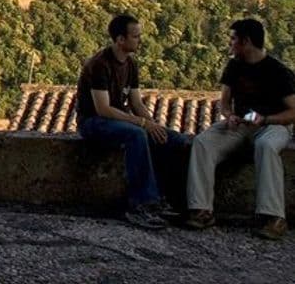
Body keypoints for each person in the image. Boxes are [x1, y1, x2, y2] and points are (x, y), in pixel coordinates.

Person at [75, 15, 188, 230]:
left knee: (176, 141)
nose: (140, 40)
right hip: (93, 122)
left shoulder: (130, 63)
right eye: (135, 36)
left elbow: (136, 102)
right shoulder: (100, 64)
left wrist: (153, 124)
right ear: (120, 39)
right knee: (136, 135)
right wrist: (142, 125)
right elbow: (103, 109)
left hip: (119, 119)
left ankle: (164, 198)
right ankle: (142, 203)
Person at [186, 19, 295, 240]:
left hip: (273, 125)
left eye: (234, 39)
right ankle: (201, 210)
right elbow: (224, 102)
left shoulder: (279, 72)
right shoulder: (234, 67)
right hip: (241, 125)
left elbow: (293, 111)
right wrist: (230, 116)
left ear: (246, 42)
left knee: (266, 146)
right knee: (202, 142)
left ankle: (274, 218)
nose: (230, 43)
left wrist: (265, 119)